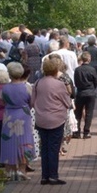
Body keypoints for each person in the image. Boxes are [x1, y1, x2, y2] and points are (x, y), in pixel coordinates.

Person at [32, 57, 72, 185]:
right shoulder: (59, 84)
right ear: (56, 70)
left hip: (41, 118)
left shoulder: (37, 83)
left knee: (44, 147)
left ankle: (45, 176)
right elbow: (67, 101)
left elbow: (32, 102)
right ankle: (53, 176)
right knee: (54, 148)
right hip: (56, 119)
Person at [0, 62, 35, 181]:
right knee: (25, 142)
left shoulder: (5, 88)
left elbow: (2, 101)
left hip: (9, 115)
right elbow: (32, 102)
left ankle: (10, 170)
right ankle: (22, 169)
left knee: (9, 141)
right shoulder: (27, 87)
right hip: (23, 115)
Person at [73, 52, 97, 139]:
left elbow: (75, 82)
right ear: (89, 59)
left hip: (80, 92)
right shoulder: (92, 69)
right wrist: (92, 89)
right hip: (90, 92)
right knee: (89, 112)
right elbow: (95, 82)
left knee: (78, 113)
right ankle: (86, 132)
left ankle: (77, 131)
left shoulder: (77, 70)